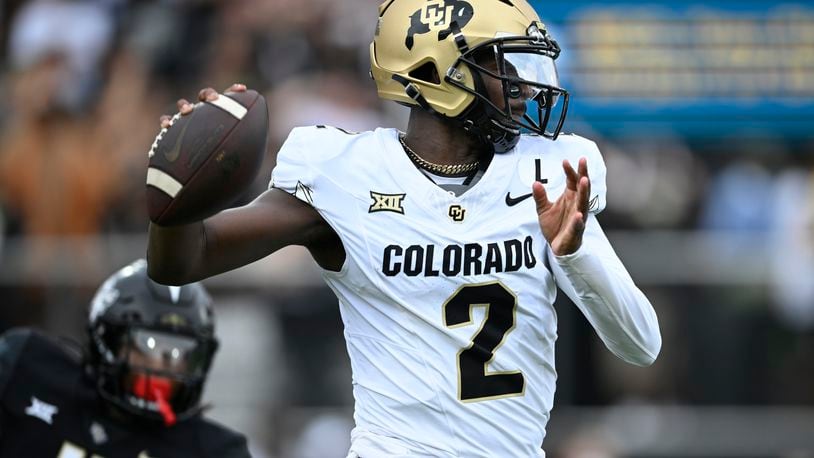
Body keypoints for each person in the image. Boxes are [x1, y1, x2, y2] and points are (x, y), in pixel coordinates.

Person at [148, 0, 661, 456]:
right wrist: (177, 192)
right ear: (437, 71)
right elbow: (182, 261)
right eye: (501, 63)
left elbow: (640, 344)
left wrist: (574, 254)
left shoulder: (546, 176)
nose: (524, 85)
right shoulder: (345, 175)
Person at [0, 259, 251, 457]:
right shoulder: (27, 368)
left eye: (179, 353)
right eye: (148, 346)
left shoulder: (213, 450)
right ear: (108, 340)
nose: (163, 365)